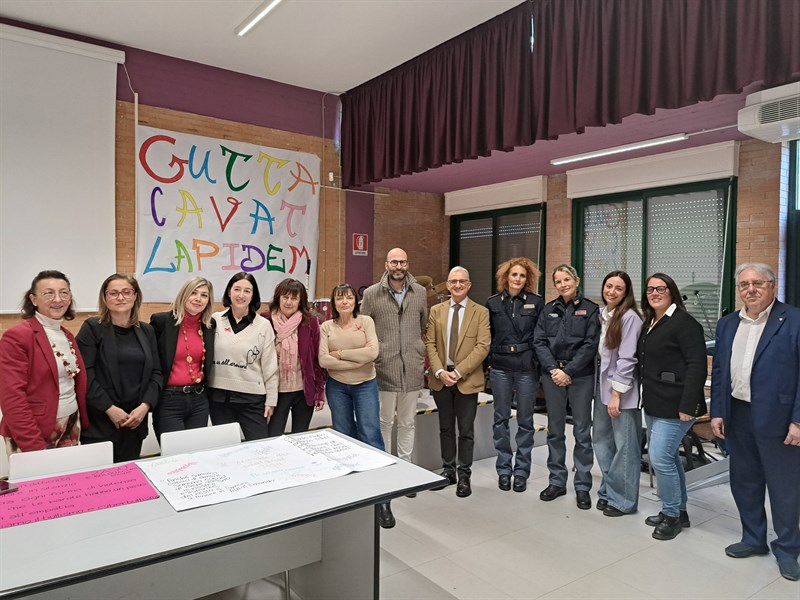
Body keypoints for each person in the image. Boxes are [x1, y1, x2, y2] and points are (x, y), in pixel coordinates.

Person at [711, 263, 800, 581]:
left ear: (773, 286)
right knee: (745, 482)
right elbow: (720, 370)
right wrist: (717, 411)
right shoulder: (727, 324)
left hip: (780, 419)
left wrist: (798, 421)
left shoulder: (793, 320)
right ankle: (753, 539)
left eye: (758, 283)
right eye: (745, 284)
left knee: (784, 487)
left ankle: (788, 549)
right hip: (738, 414)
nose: (751, 289)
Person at [637, 272, 707, 541]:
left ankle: (671, 516)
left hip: (678, 405)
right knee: (668, 459)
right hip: (656, 402)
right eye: (650, 289)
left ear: (672, 291)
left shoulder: (685, 323)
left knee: (660, 458)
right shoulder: (652, 322)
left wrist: (689, 404)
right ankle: (679, 510)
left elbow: (697, 365)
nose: (654, 293)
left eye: (660, 289)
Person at [319, 283, 395, 527]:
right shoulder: (326, 326)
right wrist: (355, 359)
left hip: (365, 385)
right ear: (334, 302)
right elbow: (323, 360)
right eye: (339, 298)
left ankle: (383, 499)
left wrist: (340, 355)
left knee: (370, 434)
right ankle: (352, 493)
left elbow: (373, 353)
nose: (345, 302)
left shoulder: (366, 322)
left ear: (355, 301)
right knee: (343, 438)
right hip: (337, 387)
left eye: (349, 297)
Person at [533, 264, 599, 509]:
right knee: (555, 431)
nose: (563, 284)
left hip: (580, 376)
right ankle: (557, 481)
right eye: (558, 281)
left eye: (567, 279)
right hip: (552, 376)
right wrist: (554, 370)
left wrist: (568, 371)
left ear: (577, 280)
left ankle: (582, 485)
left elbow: (590, 345)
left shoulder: (591, 310)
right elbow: (538, 341)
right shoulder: (548, 309)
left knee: (582, 432)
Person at [76, 274, 161, 462]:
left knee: (129, 481)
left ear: (136, 296)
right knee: (99, 483)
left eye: (126, 292)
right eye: (113, 293)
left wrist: (145, 406)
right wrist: (109, 408)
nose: (120, 297)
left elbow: (156, 372)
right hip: (101, 422)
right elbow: (85, 374)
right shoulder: (92, 328)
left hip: (135, 422)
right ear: (105, 298)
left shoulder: (146, 331)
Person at [0, 270, 88, 452]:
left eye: (64, 293)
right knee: (37, 480)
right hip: (34, 431)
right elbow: (12, 397)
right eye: (48, 293)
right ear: (33, 299)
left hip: (70, 424)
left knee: (68, 479)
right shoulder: (18, 336)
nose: (58, 299)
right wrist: (33, 446)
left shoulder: (66, 334)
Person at [360, 247, 428, 469]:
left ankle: (405, 466)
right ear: (386, 265)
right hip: (384, 367)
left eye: (403, 262)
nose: (399, 267)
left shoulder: (420, 292)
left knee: (408, 422)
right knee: (384, 421)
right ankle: (386, 467)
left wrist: (417, 349)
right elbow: (363, 329)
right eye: (394, 262)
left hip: (412, 366)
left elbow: (423, 325)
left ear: (407, 265)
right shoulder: (371, 294)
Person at [426, 267, 490, 498]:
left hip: (466, 380)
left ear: (469, 284)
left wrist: (459, 372)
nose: (457, 285)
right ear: (448, 284)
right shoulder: (436, 310)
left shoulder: (480, 312)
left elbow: (483, 346)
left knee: (465, 430)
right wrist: (440, 371)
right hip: (441, 379)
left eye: (462, 281)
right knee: (445, 428)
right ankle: (448, 471)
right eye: (453, 281)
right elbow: (430, 343)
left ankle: (464, 475)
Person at [486, 257, 544, 493]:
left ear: (527, 278)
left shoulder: (536, 302)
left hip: (526, 367)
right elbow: (486, 335)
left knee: (525, 420)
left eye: (522, 275)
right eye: (514, 275)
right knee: (500, 418)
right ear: (505, 278)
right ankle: (503, 469)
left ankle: (521, 471)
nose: (517, 279)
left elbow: (541, 336)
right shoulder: (492, 303)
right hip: (500, 366)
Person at [592, 270, 643, 516]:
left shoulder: (630, 317)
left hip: (620, 391)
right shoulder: (605, 315)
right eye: (608, 286)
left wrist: (616, 393)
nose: (611, 291)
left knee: (624, 446)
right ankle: (608, 490)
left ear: (626, 293)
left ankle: (623, 500)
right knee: (601, 441)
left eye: (618, 288)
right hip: (601, 387)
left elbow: (627, 358)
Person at [208, 272, 278, 441]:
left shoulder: (263, 325)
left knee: (259, 447)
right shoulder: (214, 320)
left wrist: (271, 400)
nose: (241, 295)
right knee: (225, 450)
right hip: (219, 398)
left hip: (252, 399)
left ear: (253, 295)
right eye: (237, 289)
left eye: (247, 291)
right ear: (229, 292)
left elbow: (270, 366)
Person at [150, 276, 215, 439]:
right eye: (194, 293)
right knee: (174, 456)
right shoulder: (162, 321)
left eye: (204, 295)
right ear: (184, 294)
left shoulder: (209, 325)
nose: (198, 299)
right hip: (169, 400)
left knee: (196, 454)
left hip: (199, 400)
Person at [262, 278, 326, 436]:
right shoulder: (265, 320)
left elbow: (316, 360)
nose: (289, 302)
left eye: (294, 298)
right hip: (276, 391)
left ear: (300, 301)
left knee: (301, 436)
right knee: (273, 436)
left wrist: (319, 392)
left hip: (303, 391)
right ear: (278, 298)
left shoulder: (310, 322)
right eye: (285, 297)